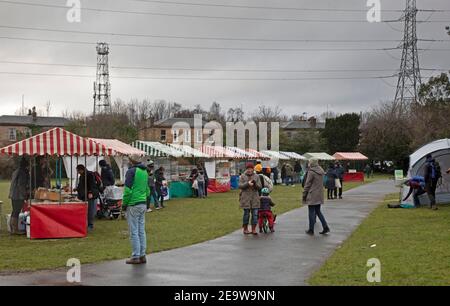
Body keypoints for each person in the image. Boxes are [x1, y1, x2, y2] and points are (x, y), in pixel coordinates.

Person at [123, 155, 150, 265]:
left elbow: (128, 190)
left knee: (133, 231)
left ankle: (135, 256)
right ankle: (142, 255)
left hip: (133, 203)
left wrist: (124, 204)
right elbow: (147, 190)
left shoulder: (131, 172)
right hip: (142, 203)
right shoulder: (145, 172)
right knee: (141, 230)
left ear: (131, 161)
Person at [303, 159, 330, 235]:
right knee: (318, 211)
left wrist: (304, 193)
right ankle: (325, 227)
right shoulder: (321, 171)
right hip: (319, 194)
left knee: (311, 212)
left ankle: (311, 229)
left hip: (312, 194)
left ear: (311, 163)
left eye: (309, 162)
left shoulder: (311, 172)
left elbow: (307, 184)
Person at [239, 163, 262, 235]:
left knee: (255, 214)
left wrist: (255, 184)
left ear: (253, 169)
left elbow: (260, 187)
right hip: (245, 198)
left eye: (251, 168)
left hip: (255, 197)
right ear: (246, 169)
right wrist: (247, 184)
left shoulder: (257, 176)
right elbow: (240, 186)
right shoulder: (242, 176)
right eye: (248, 169)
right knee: (246, 214)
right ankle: (245, 229)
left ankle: (254, 229)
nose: (249, 170)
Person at [75, 164, 100, 232]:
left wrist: (90, 192)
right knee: (86, 211)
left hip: (89, 195)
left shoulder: (89, 175)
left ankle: (90, 225)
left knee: (90, 211)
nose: (77, 172)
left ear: (81, 170)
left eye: (78, 170)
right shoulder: (82, 176)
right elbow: (81, 185)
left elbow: (92, 185)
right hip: (84, 195)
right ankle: (86, 224)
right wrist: (77, 189)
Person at [8, 158, 29, 235]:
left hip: (13, 194)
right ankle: (15, 229)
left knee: (14, 211)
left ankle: (12, 228)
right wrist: (25, 195)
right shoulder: (22, 173)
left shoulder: (16, 171)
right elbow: (21, 185)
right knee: (16, 211)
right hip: (18, 195)